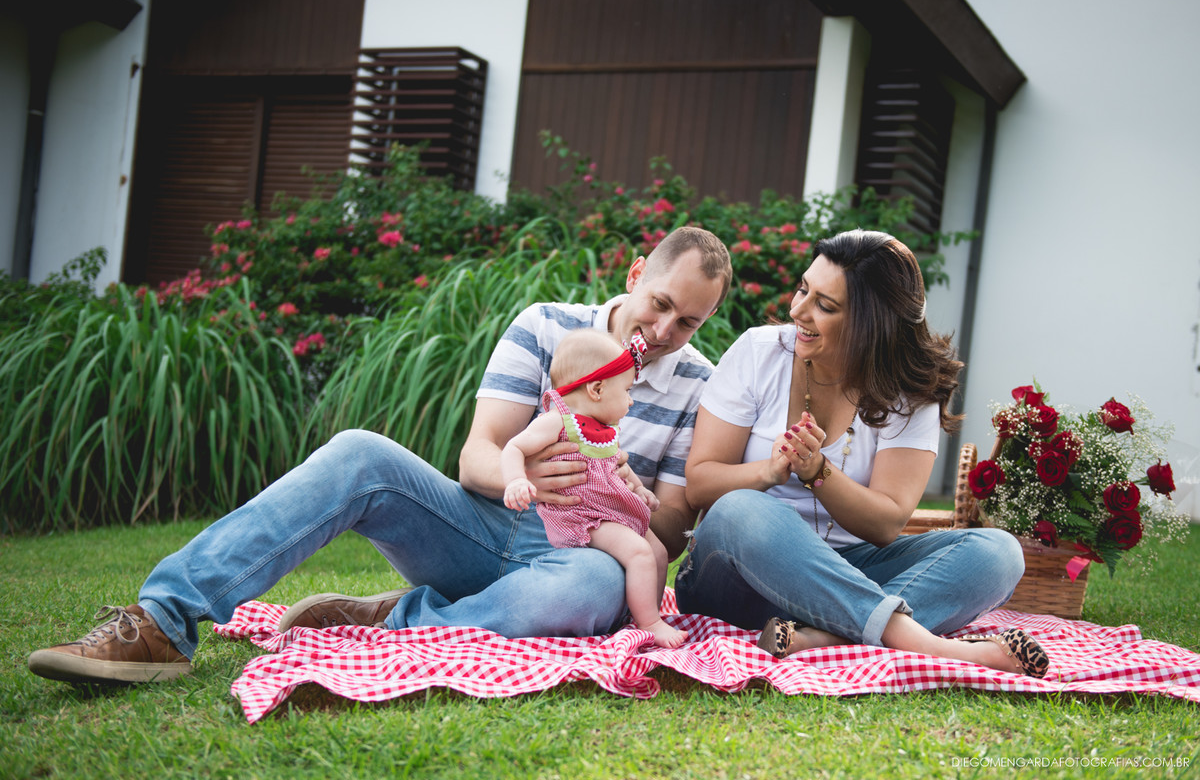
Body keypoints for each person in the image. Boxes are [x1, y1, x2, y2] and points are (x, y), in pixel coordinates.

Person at [28, 226, 731, 684]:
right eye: (660, 303)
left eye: (689, 321)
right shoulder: (544, 326)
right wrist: (528, 476)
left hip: (586, 563)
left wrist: (626, 501)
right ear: (637, 272)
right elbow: (476, 458)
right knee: (359, 453)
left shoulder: (699, 382)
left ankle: (397, 618)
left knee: (576, 590)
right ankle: (161, 621)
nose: (665, 329)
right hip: (493, 525)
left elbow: (665, 532)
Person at [673, 229, 1049, 678]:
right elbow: (699, 484)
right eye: (803, 289)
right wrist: (768, 473)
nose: (797, 311)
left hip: (851, 567)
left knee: (998, 552)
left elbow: (887, 522)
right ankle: (921, 643)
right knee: (741, 510)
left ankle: (823, 637)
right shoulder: (759, 353)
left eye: (825, 306)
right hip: (737, 577)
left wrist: (818, 472)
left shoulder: (910, 392)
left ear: (873, 323)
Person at [502, 329, 687, 648]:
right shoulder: (558, 422)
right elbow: (513, 448)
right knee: (640, 553)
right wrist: (517, 479)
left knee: (657, 552)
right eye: (627, 390)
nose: (630, 400)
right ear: (597, 389)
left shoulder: (603, 428)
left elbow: (617, 466)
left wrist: (640, 491)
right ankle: (650, 624)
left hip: (614, 512)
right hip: (583, 515)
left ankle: (641, 614)